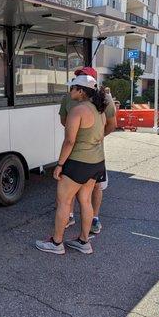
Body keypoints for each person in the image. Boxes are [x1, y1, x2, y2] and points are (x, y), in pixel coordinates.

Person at [36, 74, 107, 254]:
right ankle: (84, 242)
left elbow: (69, 141)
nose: (70, 92)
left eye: (72, 88)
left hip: (78, 162)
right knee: (85, 200)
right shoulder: (99, 109)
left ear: (81, 91)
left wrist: (59, 165)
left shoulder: (78, 110)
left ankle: (56, 243)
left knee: (64, 201)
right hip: (96, 162)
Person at [59, 67, 117, 234]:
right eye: (78, 76)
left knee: (92, 189)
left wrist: (93, 138)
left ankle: (94, 219)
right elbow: (65, 122)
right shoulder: (68, 98)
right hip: (80, 153)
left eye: (83, 77)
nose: (79, 79)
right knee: (80, 195)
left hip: (91, 153)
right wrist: (80, 131)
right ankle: (73, 222)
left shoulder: (104, 99)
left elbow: (112, 124)